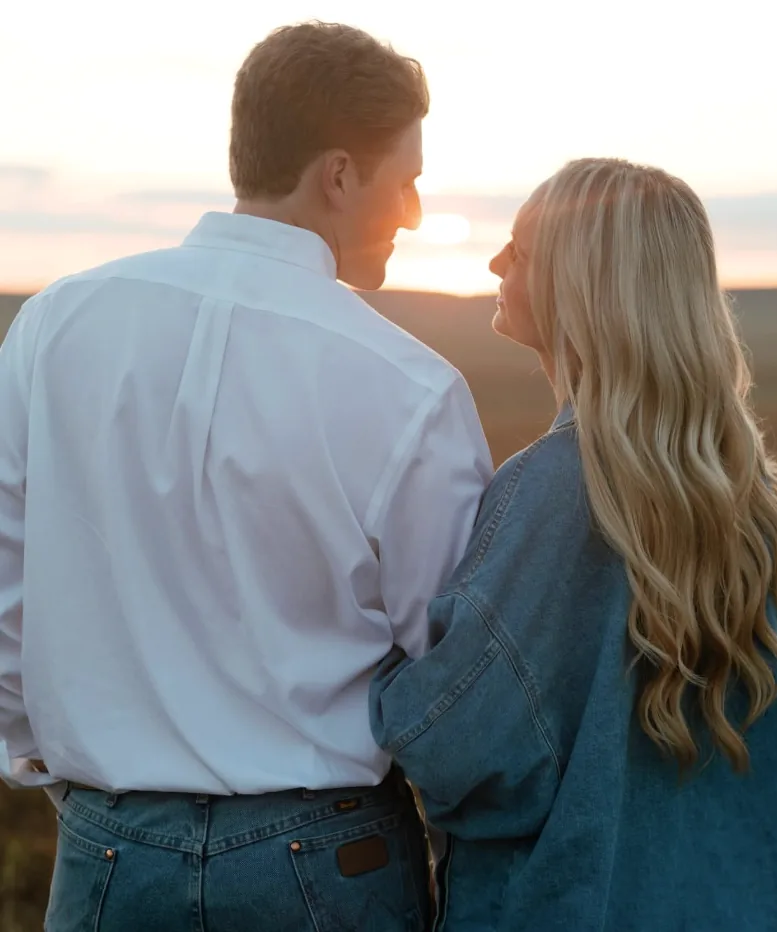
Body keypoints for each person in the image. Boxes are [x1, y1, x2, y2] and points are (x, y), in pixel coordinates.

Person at [0, 22, 492, 931]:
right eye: (407, 179)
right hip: (331, 864)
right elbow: (451, 675)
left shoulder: (52, 326)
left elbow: (4, 588)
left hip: (108, 855)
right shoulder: (412, 387)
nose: (418, 211)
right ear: (339, 176)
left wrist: (66, 773)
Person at [370, 157, 777, 931]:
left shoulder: (555, 489)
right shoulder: (748, 491)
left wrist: (377, 651)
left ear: (588, 287)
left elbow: (459, 749)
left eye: (523, 251)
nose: (496, 263)